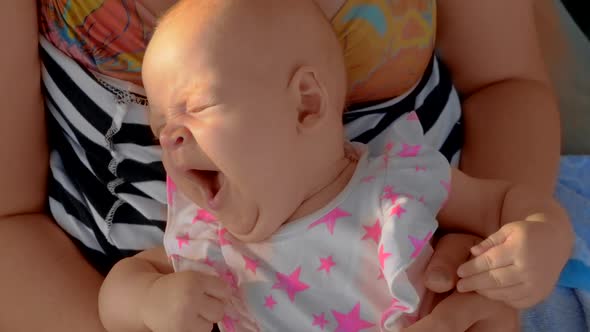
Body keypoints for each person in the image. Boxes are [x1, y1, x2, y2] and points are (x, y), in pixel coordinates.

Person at [0, 0, 567, 331]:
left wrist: (497, 272)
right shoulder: (199, 236)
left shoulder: (397, 180)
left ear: (309, 103)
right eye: (158, 131)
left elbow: (506, 112)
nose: (169, 141)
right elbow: (26, 234)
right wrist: (152, 303)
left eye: (194, 110)